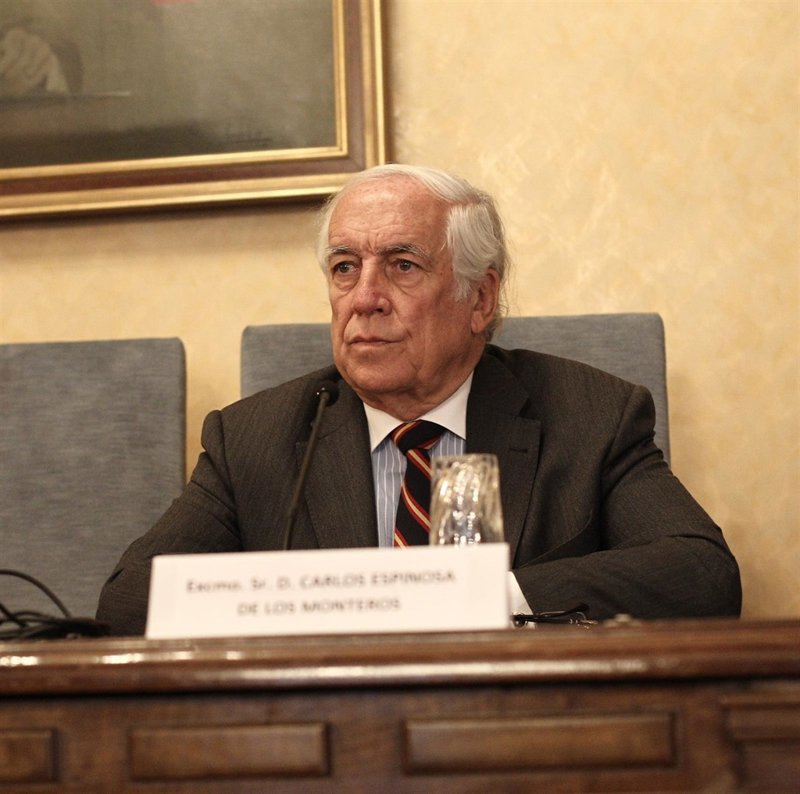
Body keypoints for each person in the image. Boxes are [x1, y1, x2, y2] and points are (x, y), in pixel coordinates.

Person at [96, 164, 741, 635]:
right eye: (344, 267)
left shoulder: (588, 415)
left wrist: (483, 597)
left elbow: (703, 575)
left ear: (479, 299)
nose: (364, 298)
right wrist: (320, 604)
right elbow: (128, 607)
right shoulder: (254, 440)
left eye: (403, 265)